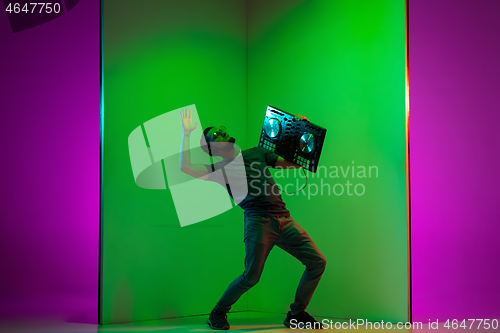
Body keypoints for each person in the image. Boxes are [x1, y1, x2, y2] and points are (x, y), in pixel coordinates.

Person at [179, 108, 326, 330]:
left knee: (317, 262)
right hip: (258, 222)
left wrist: (301, 131)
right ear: (212, 149)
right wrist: (187, 133)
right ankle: (218, 312)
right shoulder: (219, 168)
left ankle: (296, 314)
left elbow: (294, 163)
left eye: (221, 130)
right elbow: (185, 167)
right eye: (215, 136)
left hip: (285, 220)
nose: (221, 133)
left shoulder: (257, 152)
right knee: (251, 277)